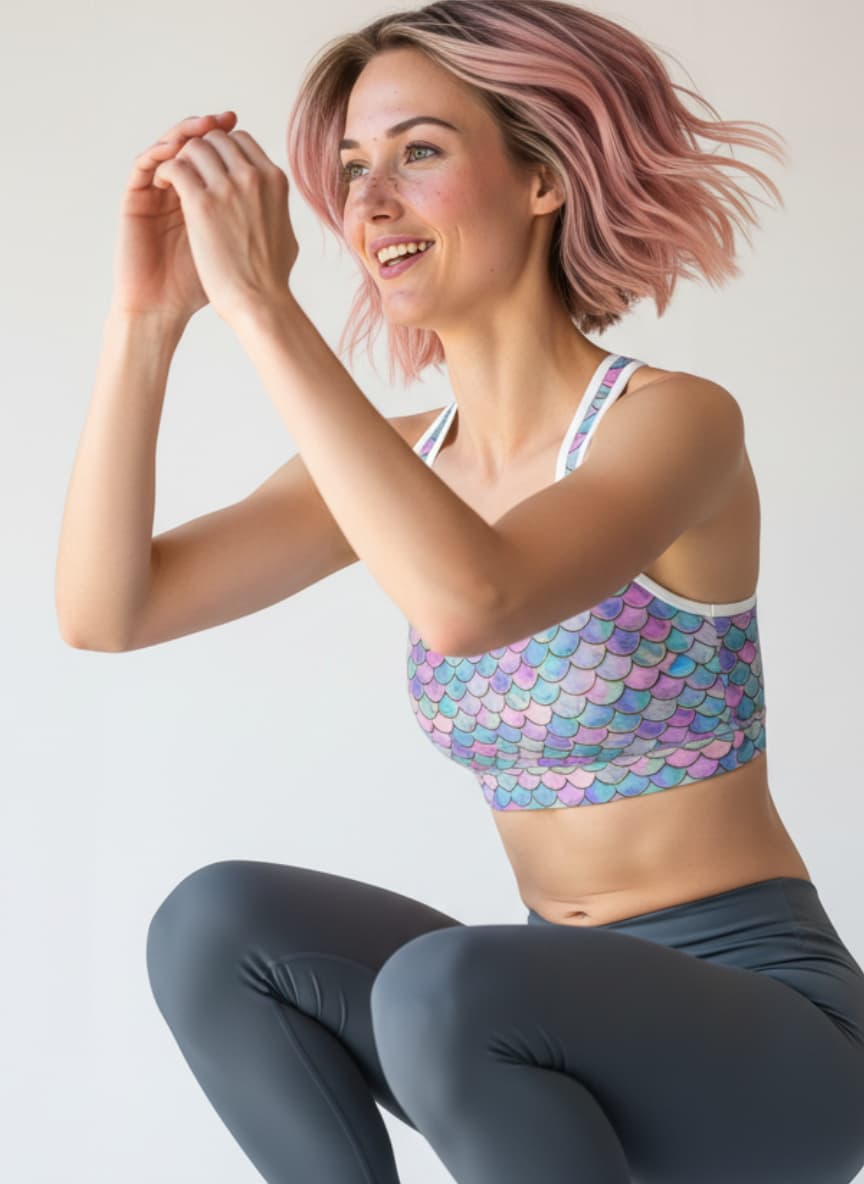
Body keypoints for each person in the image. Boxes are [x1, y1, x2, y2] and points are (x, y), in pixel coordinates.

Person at [56, 1, 864, 1181]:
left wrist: (267, 309)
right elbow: (105, 610)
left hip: (766, 1030)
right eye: (350, 168)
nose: (369, 201)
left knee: (449, 980)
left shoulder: (673, 425)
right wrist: (149, 320)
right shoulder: (398, 465)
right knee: (215, 922)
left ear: (541, 178)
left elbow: (471, 600)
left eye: (419, 152)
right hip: (528, 1017)